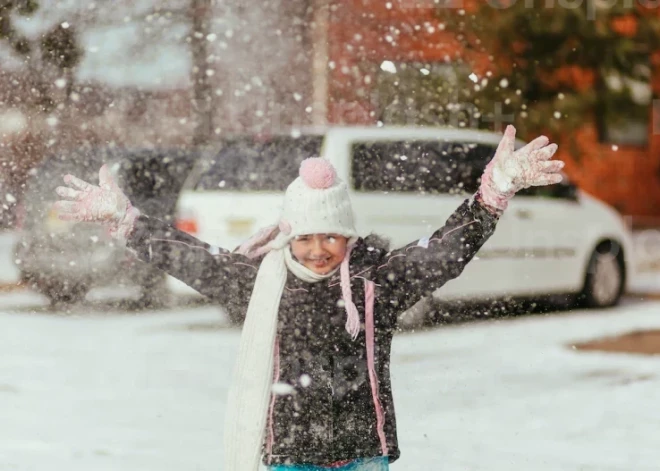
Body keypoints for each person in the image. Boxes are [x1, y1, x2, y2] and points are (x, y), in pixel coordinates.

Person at [53, 125, 562, 471]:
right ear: (287, 237)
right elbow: (192, 257)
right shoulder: (261, 282)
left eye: (331, 237)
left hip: (365, 452)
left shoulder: (374, 283)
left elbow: (445, 252)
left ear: (348, 236)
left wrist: (493, 193)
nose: (319, 250)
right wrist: (127, 220)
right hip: (289, 454)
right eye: (306, 237)